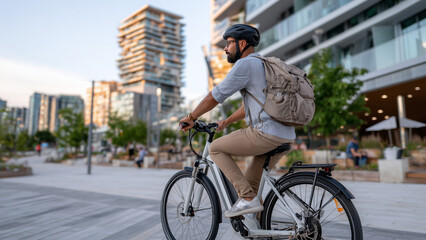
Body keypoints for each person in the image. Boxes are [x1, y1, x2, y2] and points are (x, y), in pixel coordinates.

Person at [179, 24, 295, 218]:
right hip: (285, 135)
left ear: (242, 43)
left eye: (229, 43)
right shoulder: (264, 64)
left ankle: (248, 199)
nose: (225, 48)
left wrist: (191, 117)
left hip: (265, 133)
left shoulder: (245, 64)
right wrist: (227, 121)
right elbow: (253, 105)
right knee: (251, 185)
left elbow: (214, 96)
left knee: (216, 148)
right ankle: (262, 230)